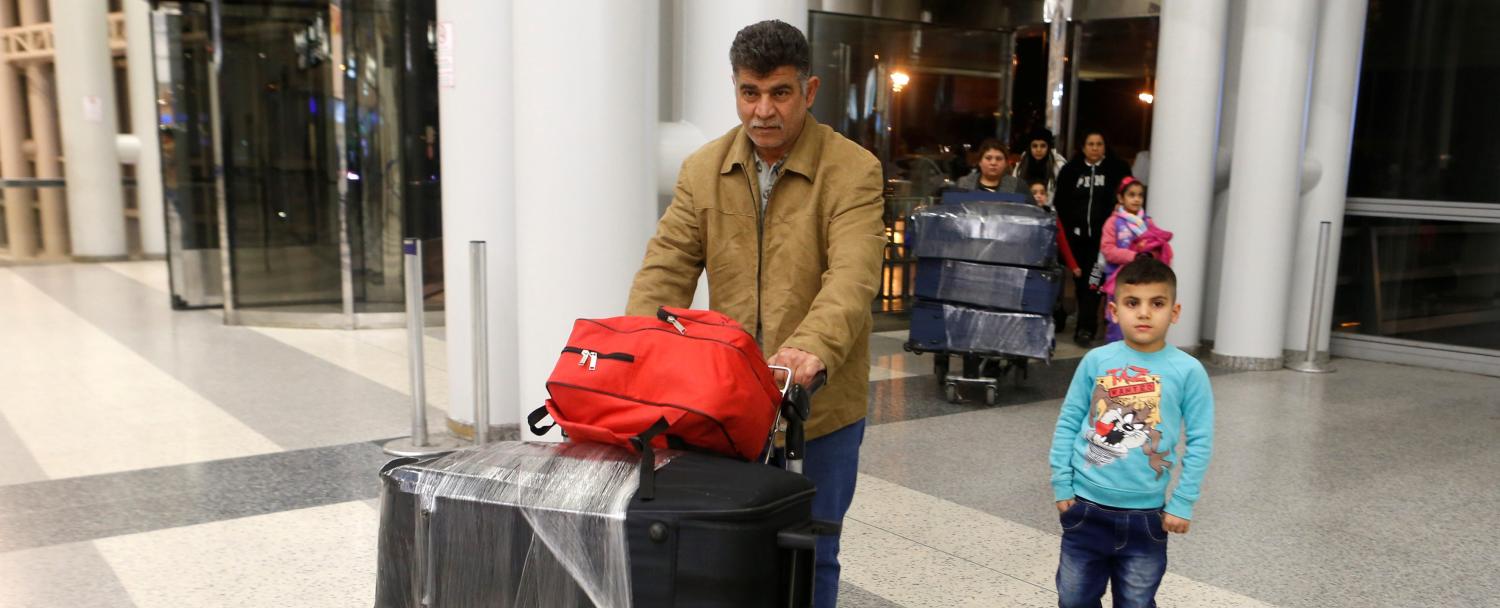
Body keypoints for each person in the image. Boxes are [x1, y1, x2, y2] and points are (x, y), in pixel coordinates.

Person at [625, 20, 884, 608]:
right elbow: (666, 267)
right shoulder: (703, 169)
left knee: (813, 548)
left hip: (819, 409)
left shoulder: (853, 170)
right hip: (728, 402)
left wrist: (811, 347)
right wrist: (641, 347)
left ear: (809, 91)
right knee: (725, 547)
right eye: (750, 92)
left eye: (780, 93)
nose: (763, 110)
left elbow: (853, 274)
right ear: (736, 90)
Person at [1048, 258, 1215, 608]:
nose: (1143, 313)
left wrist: (1182, 503)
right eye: (1132, 303)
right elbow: (1068, 420)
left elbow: (1200, 441)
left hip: (1147, 518)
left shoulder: (1189, 371)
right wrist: (1062, 482)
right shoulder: (1096, 360)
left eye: (1157, 303)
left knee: (1137, 602)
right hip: (1085, 509)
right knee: (1074, 599)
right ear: (1113, 310)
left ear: (1175, 311)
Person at [1054, 131, 1132, 347]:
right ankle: (1083, 322)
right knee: (1081, 283)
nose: (1095, 148)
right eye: (1091, 144)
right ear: (1083, 146)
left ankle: (1086, 328)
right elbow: (1061, 202)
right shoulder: (1071, 170)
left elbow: (1129, 192)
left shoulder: (1116, 169)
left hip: (1103, 240)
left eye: (1099, 144)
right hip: (1077, 239)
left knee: (1093, 283)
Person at [1091, 177, 1174, 344]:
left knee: (1143, 321)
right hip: (1120, 281)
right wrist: (1133, 256)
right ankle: (1117, 364)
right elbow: (1108, 250)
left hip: (1144, 282)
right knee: (1119, 322)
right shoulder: (1113, 222)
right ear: (1121, 198)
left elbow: (1157, 245)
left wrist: (1151, 255)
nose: (1136, 199)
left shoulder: (1147, 222)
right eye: (1131, 195)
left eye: (1140, 195)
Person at [1029, 179, 1081, 331]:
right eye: (1034, 193)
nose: (1039, 196)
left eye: (1042, 193)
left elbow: (1063, 242)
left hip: (1048, 264)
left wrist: (1073, 266)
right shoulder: (1023, 214)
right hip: (1028, 264)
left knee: (1048, 299)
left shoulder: (1052, 216)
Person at [955, 139, 1024, 193]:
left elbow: (1030, 210)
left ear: (1006, 163)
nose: (993, 163)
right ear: (980, 162)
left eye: (999, 159)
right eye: (988, 158)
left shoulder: (1018, 186)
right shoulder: (963, 183)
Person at [1013, 128, 1068, 193]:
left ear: (1049, 147)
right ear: (1029, 148)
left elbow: (1065, 193)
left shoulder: (1058, 165)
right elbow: (1011, 191)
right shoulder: (1021, 165)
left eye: (1043, 146)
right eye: (1034, 146)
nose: (1038, 150)